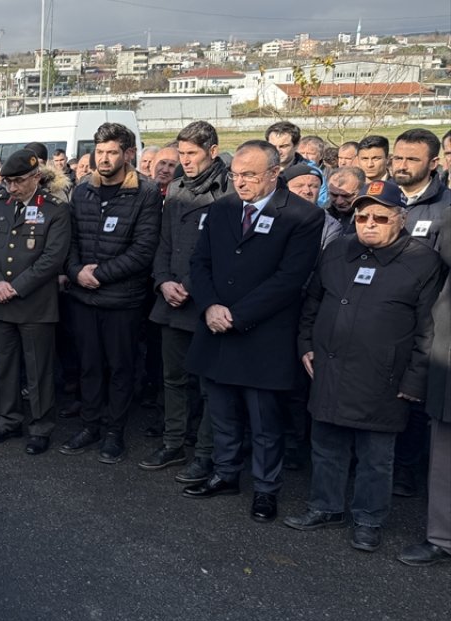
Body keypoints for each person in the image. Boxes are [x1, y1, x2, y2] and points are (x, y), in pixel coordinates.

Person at [284, 180, 444, 552]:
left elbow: (428, 329)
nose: (368, 223)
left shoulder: (423, 261)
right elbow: (312, 303)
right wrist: (305, 346)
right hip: (329, 366)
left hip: (384, 376)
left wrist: (415, 380)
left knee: (375, 457)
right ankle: (325, 507)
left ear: (400, 219)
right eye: (361, 217)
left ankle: (369, 519)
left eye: (379, 217)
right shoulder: (337, 250)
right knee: (326, 444)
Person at [183, 140, 324, 524]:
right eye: (236, 174)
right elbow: (200, 262)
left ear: (274, 174)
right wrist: (210, 305)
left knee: (264, 421)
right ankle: (226, 473)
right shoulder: (223, 208)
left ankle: (266, 489)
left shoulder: (302, 216)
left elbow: (289, 279)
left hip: (262, 334)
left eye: (250, 175)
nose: (241, 183)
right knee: (222, 410)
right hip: (216, 327)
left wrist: (236, 315)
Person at [60, 122, 161, 464]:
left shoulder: (145, 193)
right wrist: (75, 272)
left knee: (120, 368)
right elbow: (70, 241)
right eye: (99, 152)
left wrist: (99, 275)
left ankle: (114, 431)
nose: (103, 159)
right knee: (89, 366)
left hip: (122, 300)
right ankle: (90, 425)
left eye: (111, 152)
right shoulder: (82, 191)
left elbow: (144, 249)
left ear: (128, 154)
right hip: (83, 298)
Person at [143, 121, 232, 479]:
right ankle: (174, 442)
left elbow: (222, 252)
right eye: (181, 153)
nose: (185, 160)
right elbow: (164, 242)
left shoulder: (228, 192)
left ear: (212, 151)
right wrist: (163, 281)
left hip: (204, 300)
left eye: (192, 153)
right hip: (171, 297)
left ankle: (206, 452)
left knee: (209, 384)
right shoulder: (177, 187)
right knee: (173, 378)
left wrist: (190, 287)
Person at [0, 150, 71, 449]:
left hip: (34, 303)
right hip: (0, 301)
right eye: (7, 182)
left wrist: (15, 286)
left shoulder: (55, 210)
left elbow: (53, 258)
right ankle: (9, 421)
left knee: (38, 369)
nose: (12, 188)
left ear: (36, 178)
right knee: (5, 365)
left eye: (18, 182)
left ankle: (41, 428)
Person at [390, 128, 451, 499]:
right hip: (381, 317)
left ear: (433, 163)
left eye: (412, 159)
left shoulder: (444, 209)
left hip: (424, 321)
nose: (402, 165)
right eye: (398, 157)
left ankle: (406, 470)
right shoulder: (379, 198)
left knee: (413, 397)